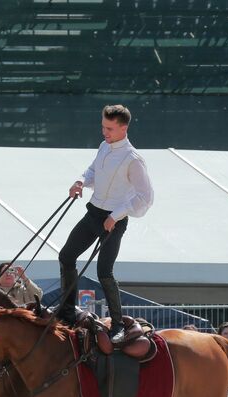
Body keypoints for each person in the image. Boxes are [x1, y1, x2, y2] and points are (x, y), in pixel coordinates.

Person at [56, 105, 154, 343]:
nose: (105, 132)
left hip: (114, 220)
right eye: (103, 126)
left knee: (104, 272)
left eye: (110, 128)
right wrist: (80, 181)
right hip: (93, 213)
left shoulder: (133, 159)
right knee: (66, 256)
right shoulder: (103, 147)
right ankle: (67, 311)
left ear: (124, 127)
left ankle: (118, 324)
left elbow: (146, 197)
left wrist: (117, 214)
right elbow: (92, 171)